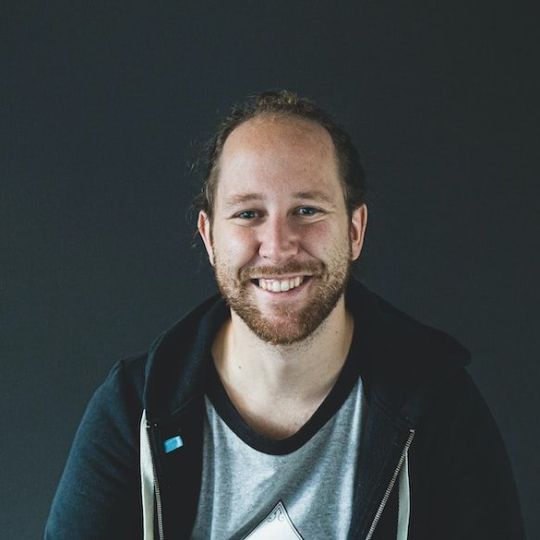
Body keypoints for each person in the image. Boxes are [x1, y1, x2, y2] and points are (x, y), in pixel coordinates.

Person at [45, 91, 525, 540]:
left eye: (307, 210)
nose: (277, 247)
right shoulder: (135, 412)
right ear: (209, 238)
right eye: (248, 214)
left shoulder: (437, 405)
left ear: (354, 230)